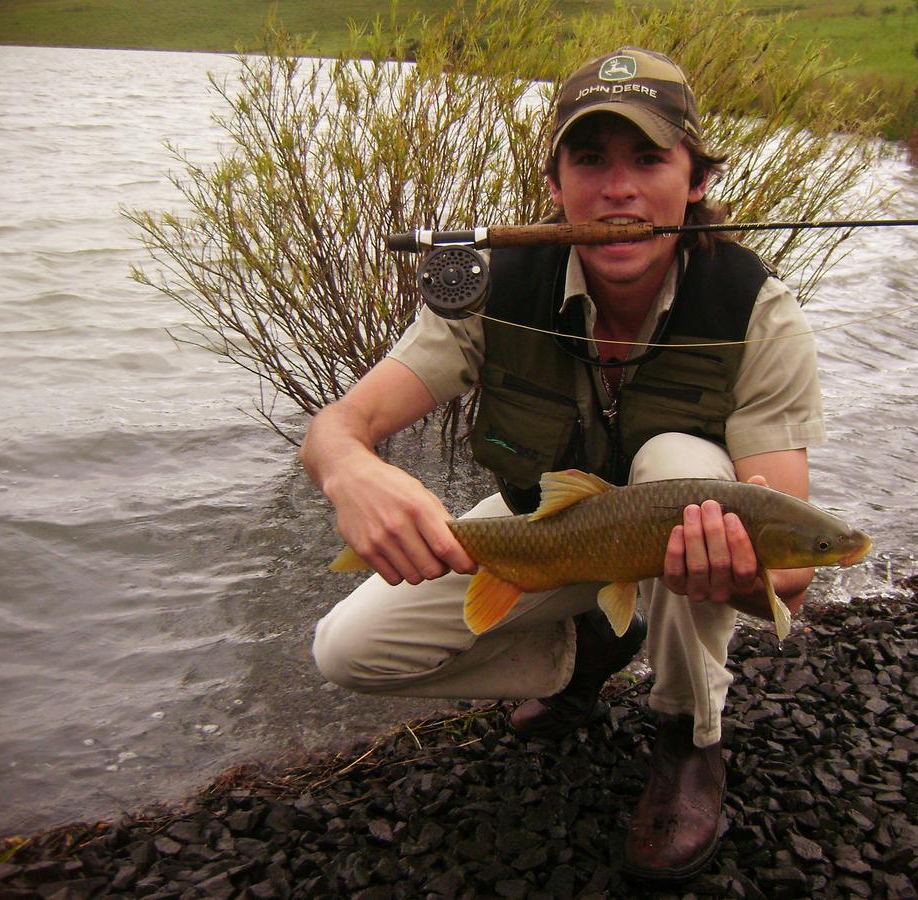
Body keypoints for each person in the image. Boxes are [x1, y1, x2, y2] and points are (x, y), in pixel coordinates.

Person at [300, 46, 827, 883]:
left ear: (695, 180)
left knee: (686, 467)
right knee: (347, 651)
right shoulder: (497, 287)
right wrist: (349, 470)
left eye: (650, 158)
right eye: (590, 160)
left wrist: (732, 578)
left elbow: (790, 579)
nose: (618, 188)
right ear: (556, 184)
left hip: (668, 542)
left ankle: (689, 737)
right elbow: (341, 423)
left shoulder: (754, 312)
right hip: (547, 541)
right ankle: (585, 655)